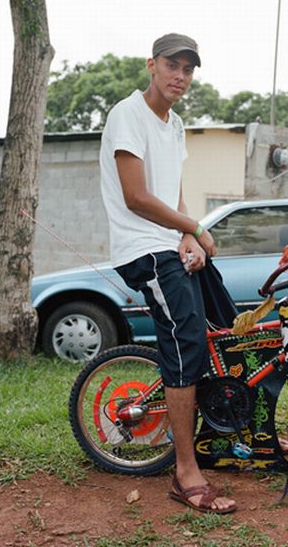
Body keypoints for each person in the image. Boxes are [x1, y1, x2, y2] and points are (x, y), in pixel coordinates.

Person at [99, 33, 237, 514]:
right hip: (142, 249)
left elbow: (172, 193)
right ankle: (184, 472)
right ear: (151, 66)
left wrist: (189, 238)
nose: (180, 76)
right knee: (187, 342)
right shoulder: (127, 115)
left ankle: (240, 438)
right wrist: (195, 227)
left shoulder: (175, 124)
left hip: (169, 243)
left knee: (228, 326)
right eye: (172, 65)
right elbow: (137, 196)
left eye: (188, 69)